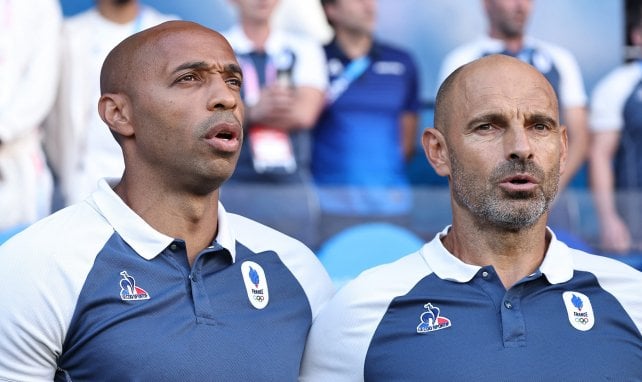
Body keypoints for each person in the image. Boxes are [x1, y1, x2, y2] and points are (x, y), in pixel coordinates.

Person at [0, 20, 333, 380]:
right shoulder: (37, 267)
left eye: (233, 81)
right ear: (118, 113)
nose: (227, 97)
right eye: (189, 78)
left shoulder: (297, 270)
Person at [299, 55, 642, 381]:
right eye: (488, 127)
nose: (521, 147)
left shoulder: (631, 299)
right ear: (438, 152)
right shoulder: (362, 311)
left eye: (539, 126)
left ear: (563, 149)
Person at [437, 0, 589, 192]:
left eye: (540, 126)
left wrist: (551, 191)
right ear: (486, 4)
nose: (520, 5)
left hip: (553, 197)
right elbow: (450, 137)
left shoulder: (559, 60)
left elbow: (579, 137)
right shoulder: (461, 60)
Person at [45, 0, 177, 207]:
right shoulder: (68, 35)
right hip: (84, 184)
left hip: (156, 187)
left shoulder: (170, 32)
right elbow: (52, 120)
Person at [220, 0, 328, 247]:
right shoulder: (217, 48)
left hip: (290, 187)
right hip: (234, 184)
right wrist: (255, 110)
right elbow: (207, 118)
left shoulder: (303, 48)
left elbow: (304, 114)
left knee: (296, 268)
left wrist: (238, 112)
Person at [312, 0, 420, 240]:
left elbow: (407, 143)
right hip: (332, 205)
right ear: (331, 10)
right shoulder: (314, 60)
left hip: (393, 205)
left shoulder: (403, 62)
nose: (369, 6)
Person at [0, 0, 61, 233]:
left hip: (18, 165)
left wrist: (4, 131)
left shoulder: (40, 5)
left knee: (16, 257)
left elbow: (40, 84)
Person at [588, 5, 642, 254]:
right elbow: (600, 155)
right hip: (636, 231)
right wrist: (609, 219)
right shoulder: (617, 86)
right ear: (637, 35)